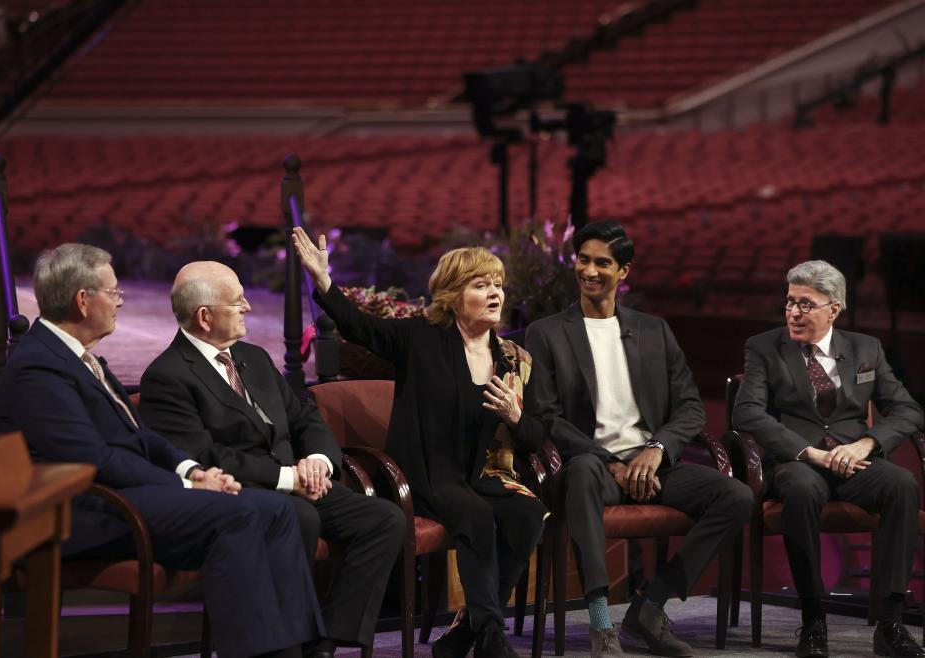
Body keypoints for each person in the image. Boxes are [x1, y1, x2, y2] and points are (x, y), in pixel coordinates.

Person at [0, 243, 324, 658]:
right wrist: (185, 488)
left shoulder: (76, 357)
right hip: (83, 509)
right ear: (83, 300)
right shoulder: (40, 367)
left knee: (278, 511)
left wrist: (191, 471)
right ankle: (258, 652)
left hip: (126, 495)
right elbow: (96, 460)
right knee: (239, 514)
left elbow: (141, 436)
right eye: (113, 293)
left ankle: (295, 649)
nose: (120, 302)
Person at [293, 227, 548, 658]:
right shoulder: (421, 338)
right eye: (480, 284)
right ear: (452, 293)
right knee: (475, 515)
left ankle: (467, 630)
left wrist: (516, 417)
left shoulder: (513, 358)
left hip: (485, 472)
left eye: (498, 285)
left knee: (526, 513)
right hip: (429, 472)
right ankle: (490, 637)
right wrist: (323, 282)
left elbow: (539, 434)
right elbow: (360, 327)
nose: (494, 293)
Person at [138, 261, 405, 658]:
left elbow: (304, 416)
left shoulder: (253, 356)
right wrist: (286, 478)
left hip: (299, 482)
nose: (248, 306)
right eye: (237, 301)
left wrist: (317, 460)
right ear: (205, 317)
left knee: (384, 520)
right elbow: (204, 456)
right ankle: (285, 645)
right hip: (242, 494)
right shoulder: (167, 376)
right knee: (301, 516)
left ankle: (326, 641)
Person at [524, 220, 752, 658]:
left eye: (602, 263)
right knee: (585, 470)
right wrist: (610, 460)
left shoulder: (654, 330)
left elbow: (690, 406)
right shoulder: (547, 332)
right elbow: (546, 416)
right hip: (592, 465)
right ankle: (602, 623)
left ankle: (649, 607)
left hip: (652, 463)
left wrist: (656, 448)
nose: (589, 270)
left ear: (623, 272)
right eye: (583, 260)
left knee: (737, 496)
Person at [733, 260, 925, 658]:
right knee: (800, 490)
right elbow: (746, 412)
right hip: (798, 461)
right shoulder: (764, 347)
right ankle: (813, 619)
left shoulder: (865, 348)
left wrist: (867, 444)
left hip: (853, 459)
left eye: (806, 304)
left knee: (901, 484)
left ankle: (890, 623)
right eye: (789, 303)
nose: (794, 313)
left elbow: (908, 410)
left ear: (833, 309)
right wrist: (809, 452)